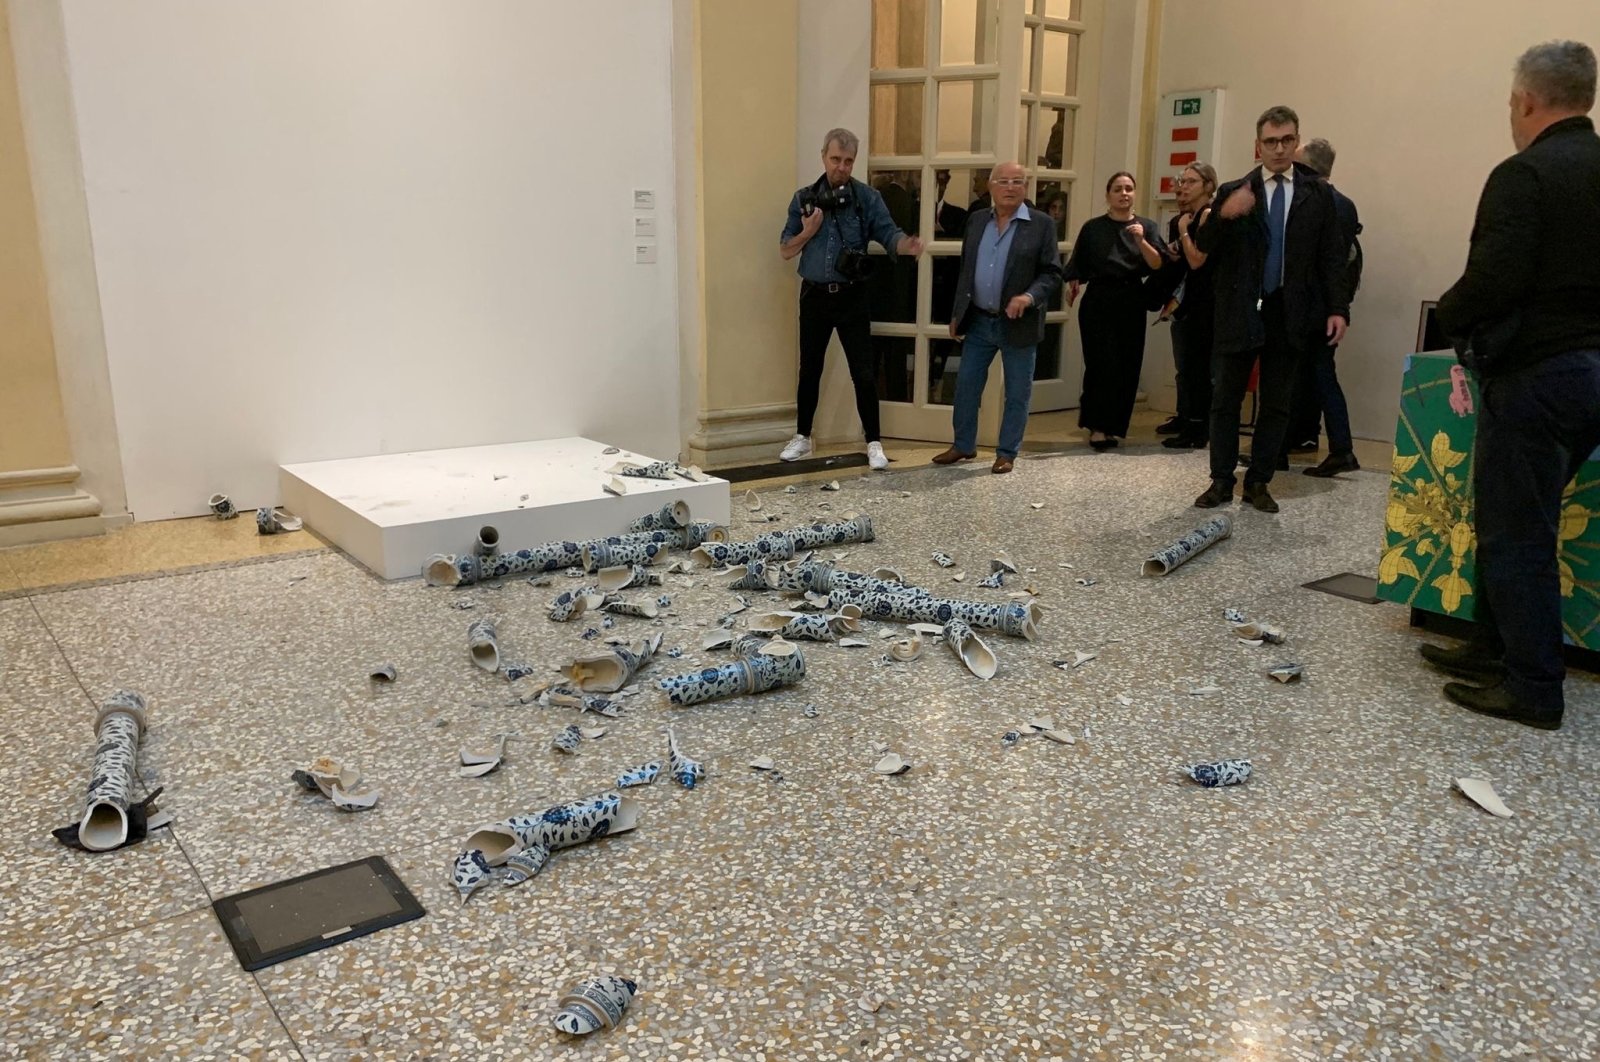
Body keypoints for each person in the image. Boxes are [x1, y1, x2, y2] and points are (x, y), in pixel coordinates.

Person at [1425, 40, 1600, 730]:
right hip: (1593, 377)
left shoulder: (1523, 174)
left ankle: (1531, 686)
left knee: (1517, 531)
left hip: (1538, 374)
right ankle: (1489, 648)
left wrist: (1452, 314)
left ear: (1527, 100)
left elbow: (1496, 276)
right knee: (1521, 517)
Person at [1191, 105, 1350, 513]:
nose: (1278, 149)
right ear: (1257, 146)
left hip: (1289, 311)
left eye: (1286, 140)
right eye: (1270, 141)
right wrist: (1223, 217)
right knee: (1225, 400)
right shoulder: (1234, 190)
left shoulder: (1318, 195)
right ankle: (1221, 481)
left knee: (1277, 402)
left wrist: (1338, 308)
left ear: (1296, 143)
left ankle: (1259, 481)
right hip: (1241, 308)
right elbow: (1205, 247)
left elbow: (1332, 257)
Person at [779, 128, 924, 470]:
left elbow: (888, 233)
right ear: (823, 157)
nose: (842, 167)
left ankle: (873, 441)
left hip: (852, 295)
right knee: (809, 369)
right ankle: (802, 437)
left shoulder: (867, 198)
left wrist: (906, 245)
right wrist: (808, 231)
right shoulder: (804, 199)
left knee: (864, 371)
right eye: (835, 160)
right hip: (814, 294)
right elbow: (785, 249)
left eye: (848, 161)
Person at [932, 162, 1063, 475]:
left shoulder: (1041, 224)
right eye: (1003, 181)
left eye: (1017, 181)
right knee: (966, 385)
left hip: (1019, 323)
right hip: (978, 319)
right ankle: (963, 444)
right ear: (991, 187)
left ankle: (1007, 452)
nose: (1010, 187)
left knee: (1017, 391)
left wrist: (1028, 297)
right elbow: (965, 270)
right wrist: (956, 313)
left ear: (1026, 187)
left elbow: (1052, 273)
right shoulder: (977, 220)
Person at [1280, 138, 1364, 477]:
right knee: (1312, 375)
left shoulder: (1316, 201)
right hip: (1326, 305)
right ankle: (1297, 444)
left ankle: (1338, 448)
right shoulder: (1346, 204)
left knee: (1308, 375)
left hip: (1308, 307)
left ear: (1308, 167)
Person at [1062, 172, 1164, 451]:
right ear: (1108, 195)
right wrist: (1073, 283)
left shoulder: (1147, 226)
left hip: (1131, 298)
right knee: (1101, 363)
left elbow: (1157, 265)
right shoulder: (1093, 228)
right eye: (1118, 189)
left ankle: (1115, 426)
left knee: (1127, 364)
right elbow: (1078, 263)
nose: (1124, 194)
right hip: (1099, 299)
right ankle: (1097, 426)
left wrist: (1141, 240)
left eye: (1129, 188)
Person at [1158, 162, 1218, 449]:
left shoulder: (1207, 215)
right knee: (1189, 366)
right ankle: (1189, 420)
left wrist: (1183, 231)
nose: (1184, 186)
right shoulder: (1185, 217)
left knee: (1200, 368)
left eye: (1191, 181)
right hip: (1188, 301)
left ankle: (1198, 428)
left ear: (1207, 185)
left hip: (1207, 302)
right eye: (1183, 181)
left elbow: (1197, 261)